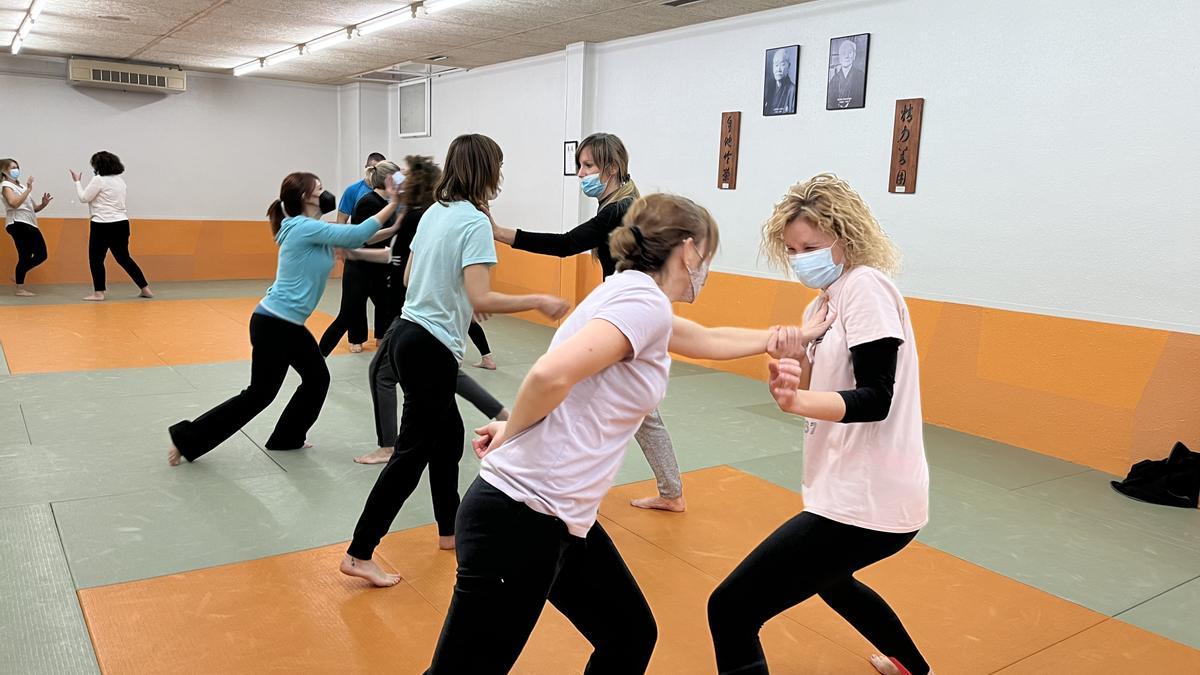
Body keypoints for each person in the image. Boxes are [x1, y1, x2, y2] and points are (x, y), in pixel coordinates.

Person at [424, 194, 794, 674]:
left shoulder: (630, 293)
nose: (706, 267)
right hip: (520, 516)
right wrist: (513, 432)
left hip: (560, 517)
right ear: (687, 250)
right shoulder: (644, 303)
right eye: (706, 253)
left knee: (628, 634)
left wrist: (781, 338)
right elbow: (549, 376)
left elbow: (704, 340)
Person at [707, 174, 930, 675]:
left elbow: (876, 398)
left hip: (868, 496)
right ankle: (915, 669)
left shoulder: (865, 287)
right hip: (842, 487)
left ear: (844, 238)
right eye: (792, 250)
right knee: (831, 581)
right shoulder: (822, 303)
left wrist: (797, 400)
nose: (800, 258)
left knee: (730, 609)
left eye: (810, 247)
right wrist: (796, 366)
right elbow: (819, 389)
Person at [340, 134, 570, 584]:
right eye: (498, 166)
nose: (501, 174)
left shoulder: (434, 212)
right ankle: (359, 552)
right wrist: (538, 300)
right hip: (431, 348)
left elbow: (410, 277)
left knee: (448, 439)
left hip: (406, 336)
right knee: (410, 455)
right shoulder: (475, 222)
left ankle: (450, 531)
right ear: (487, 171)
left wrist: (459, 297)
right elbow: (480, 296)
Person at [490, 132, 688, 513]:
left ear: (611, 169)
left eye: (587, 166)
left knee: (576, 388)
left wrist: (502, 234)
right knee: (637, 409)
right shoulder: (622, 203)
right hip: (627, 312)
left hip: (628, 315)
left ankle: (554, 478)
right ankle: (669, 491)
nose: (581, 174)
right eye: (580, 165)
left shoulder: (619, 210)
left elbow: (566, 244)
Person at [167, 172, 398, 466]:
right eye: (320, 188)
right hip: (277, 324)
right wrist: (394, 203)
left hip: (282, 323)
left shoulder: (310, 229)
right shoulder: (303, 227)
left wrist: (394, 233)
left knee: (309, 381)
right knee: (264, 393)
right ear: (305, 197)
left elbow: (353, 245)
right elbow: (356, 235)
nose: (325, 193)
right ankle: (187, 438)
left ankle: (286, 437)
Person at [342, 155, 511, 466]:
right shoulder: (429, 214)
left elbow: (405, 268)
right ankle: (504, 416)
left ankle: (388, 446)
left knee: (382, 374)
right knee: (446, 374)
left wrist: (356, 251)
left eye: (405, 177)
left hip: (411, 314)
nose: (399, 181)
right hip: (422, 314)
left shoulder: (423, 216)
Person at [319, 160, 403, 355]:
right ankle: (319, 354)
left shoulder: (386, 203)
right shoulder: (368, 202)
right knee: (346, 316)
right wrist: (394, 229)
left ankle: (383, 341)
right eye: (398, 178)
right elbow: (364, 237)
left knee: (388, 307)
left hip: (378, 266)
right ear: (389, 180)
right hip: (359, 267)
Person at [71, 151, 153, 301]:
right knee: (124, 258)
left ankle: (99, 293)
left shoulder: (98, 180)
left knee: (96, 259)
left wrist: (77, 182)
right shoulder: (120, 181)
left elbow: (84, 198)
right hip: (122, 224)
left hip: (102, 224)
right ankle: (145, 289)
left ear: (98, 165)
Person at [1, 159, 51, 296]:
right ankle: (20, 288)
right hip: (18, 223)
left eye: (17, 167)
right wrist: (29, 189)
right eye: (12, 167)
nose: (16, 170)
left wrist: (43, 204)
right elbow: (14, 203)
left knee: (39, 255)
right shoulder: (6, 186)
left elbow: (33, 209)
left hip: (29, 222)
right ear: (4, 171)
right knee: (27, 255)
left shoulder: (22, 187)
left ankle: (19, 276)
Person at [337, 152, 386, 225]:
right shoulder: (352, 190)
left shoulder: (389, 191)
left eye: (379, 171)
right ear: (366, 167)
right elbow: (341, 221)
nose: (374, 173)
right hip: (359, 231)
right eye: (372, 169)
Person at [827, 38, 867, 109]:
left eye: (849, 52)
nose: (846, 56)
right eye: (843, 53)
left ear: (854, 56)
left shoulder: (861, 76)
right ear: (839, 57)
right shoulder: (833, 80)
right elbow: (830, 102)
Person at [764, 48, 797, 115]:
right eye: (776, 65)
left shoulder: (792, 90)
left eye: (782, 64)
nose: (778, 69)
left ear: (789, 66)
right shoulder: (769, 90)